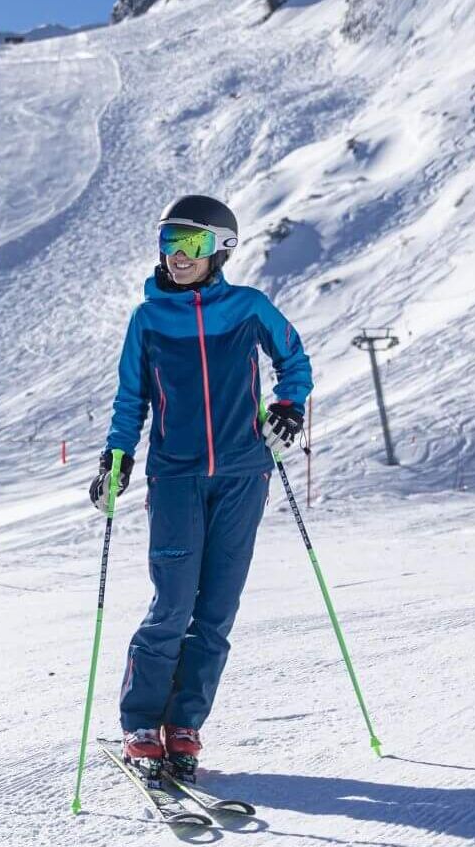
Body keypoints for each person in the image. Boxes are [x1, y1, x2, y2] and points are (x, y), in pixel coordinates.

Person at [93, 195, 310, 780]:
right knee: (172, 604)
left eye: (189, 244)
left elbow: (295, 358)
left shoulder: (247, 308)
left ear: (219, 249)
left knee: (215, 611)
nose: (176, 255)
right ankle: (141, 721)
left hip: (244, 474)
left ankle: (185, 723)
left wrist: (289, 406)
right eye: (168, 243)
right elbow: (129, 399)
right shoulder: (148, 320)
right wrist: (116, 459)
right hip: (176, 477)